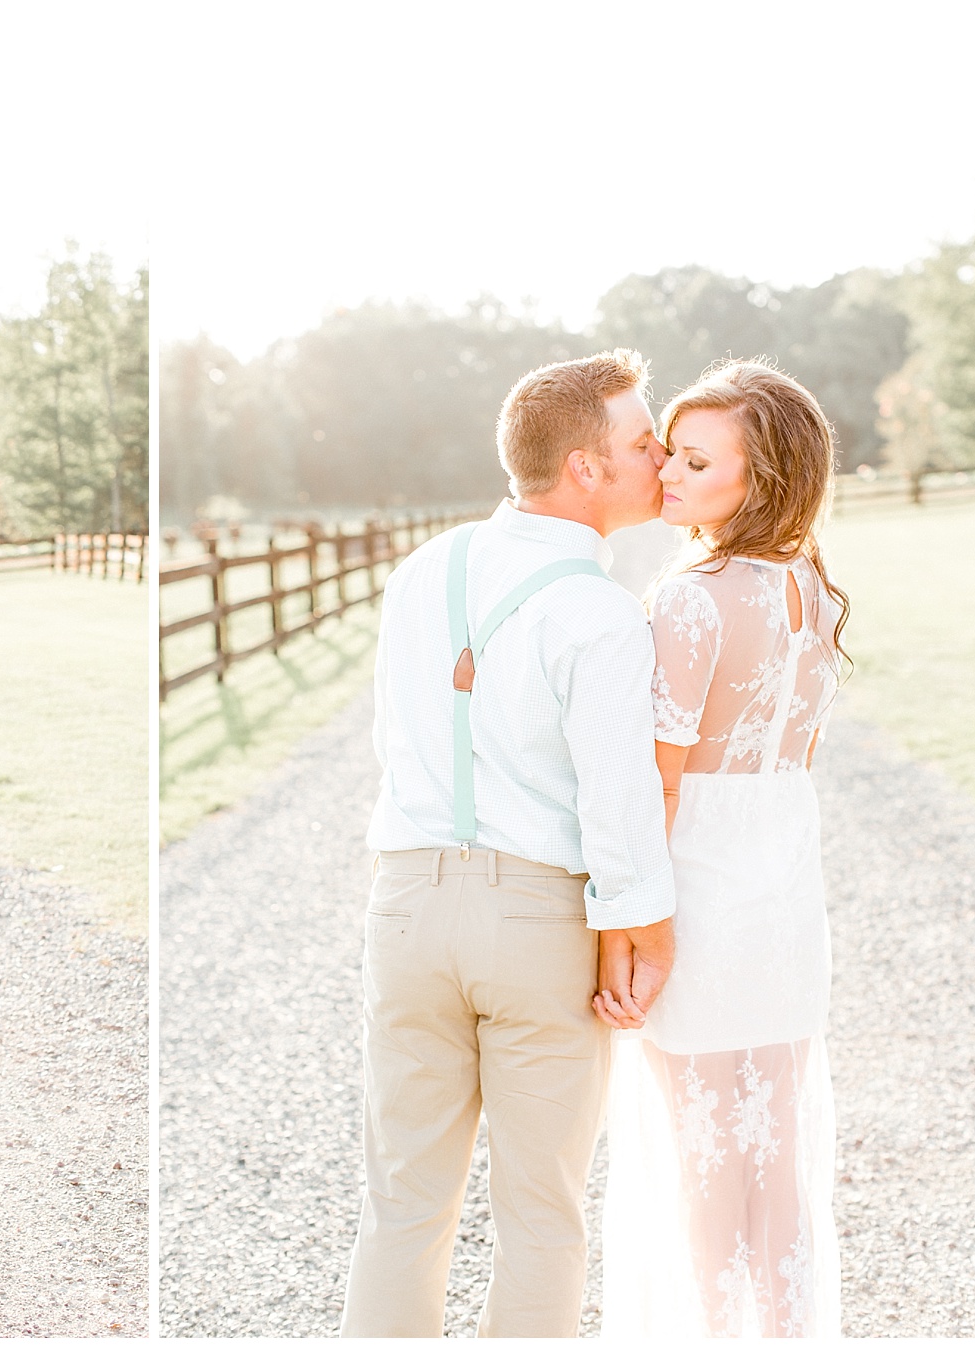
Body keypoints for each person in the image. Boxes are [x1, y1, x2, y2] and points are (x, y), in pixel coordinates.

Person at [341, 350, 677, 1337]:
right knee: (542, 1217)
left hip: (404, 904)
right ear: (586, 467)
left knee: (402, 1204)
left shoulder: (420, 569)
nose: (660, 456)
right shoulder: (603, 614)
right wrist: (641, 930)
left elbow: (393, 735)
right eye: (643, 442)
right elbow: (617, 806)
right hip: (535, 919)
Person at [596, 361, 849, 1337]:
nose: (667, 473)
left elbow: (660, 782)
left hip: (701, 894)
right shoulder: (814, 593)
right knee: (771, 1158)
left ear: (765, 479)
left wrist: (625, 929)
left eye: (697, 462)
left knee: (702, 1160)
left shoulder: (692, 599)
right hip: (784, 902)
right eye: (671, 451)